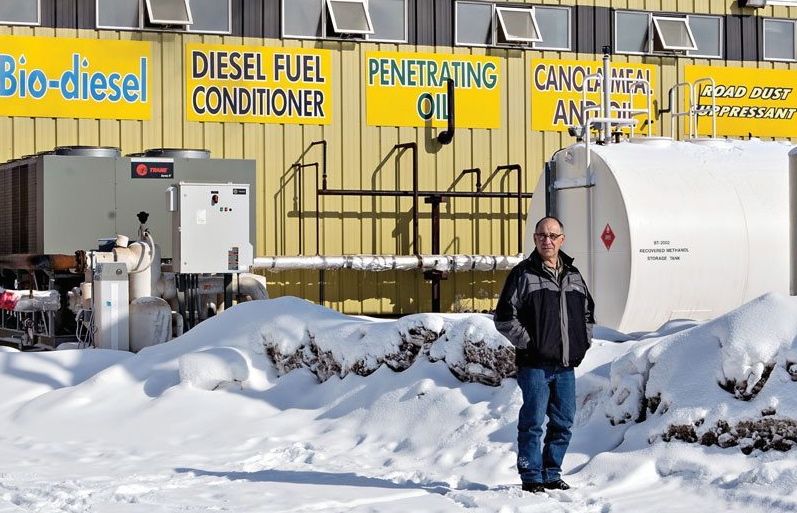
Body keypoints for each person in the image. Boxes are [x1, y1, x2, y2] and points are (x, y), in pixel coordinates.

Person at [494, 216, 595, 494]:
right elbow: (504, 318)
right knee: (533, 423)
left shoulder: (574, 275)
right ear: (535, 239)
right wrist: (531, 344)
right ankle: (531, 475)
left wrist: (581, 343)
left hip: (565, 367)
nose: (546, 240)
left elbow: (588, 314)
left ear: (562, 239)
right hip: (535, 366)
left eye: (552, 235)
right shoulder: (523, 274)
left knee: (563, 423)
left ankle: (552, 473)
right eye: (541, 235)